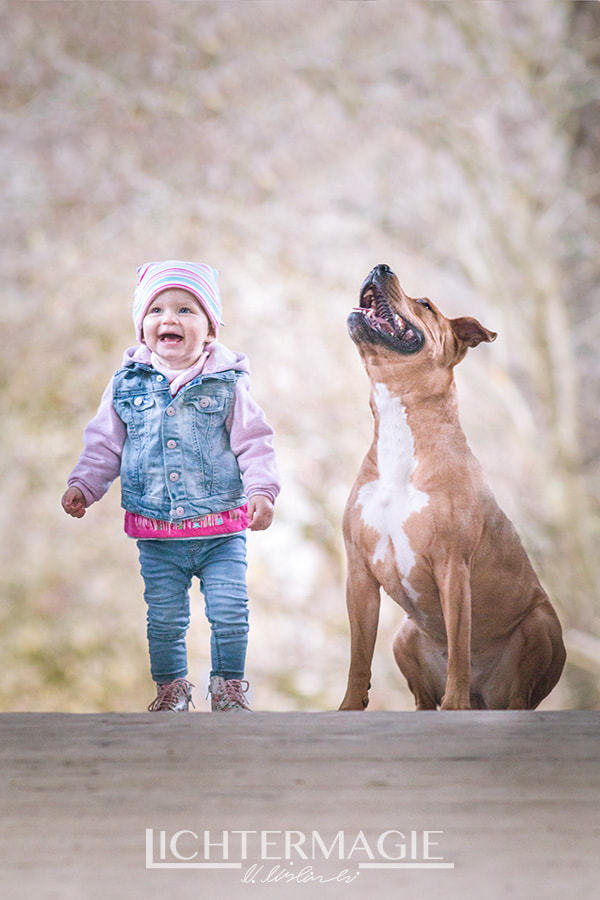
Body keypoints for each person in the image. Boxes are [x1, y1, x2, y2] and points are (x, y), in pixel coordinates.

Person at [62, 261, 280, 712]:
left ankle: (228, 688)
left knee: (230, 615)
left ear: (210, 329)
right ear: (142, 327)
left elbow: (254, 442)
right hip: (157, 534)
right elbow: (105, 444)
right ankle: (171, 690)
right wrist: (85, 484)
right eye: (157, 309)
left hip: (221, 529)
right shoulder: (125, 385)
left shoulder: (228, 384)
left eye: (186, 310)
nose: (170, 319)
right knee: (164, 619)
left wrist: (262, 491)